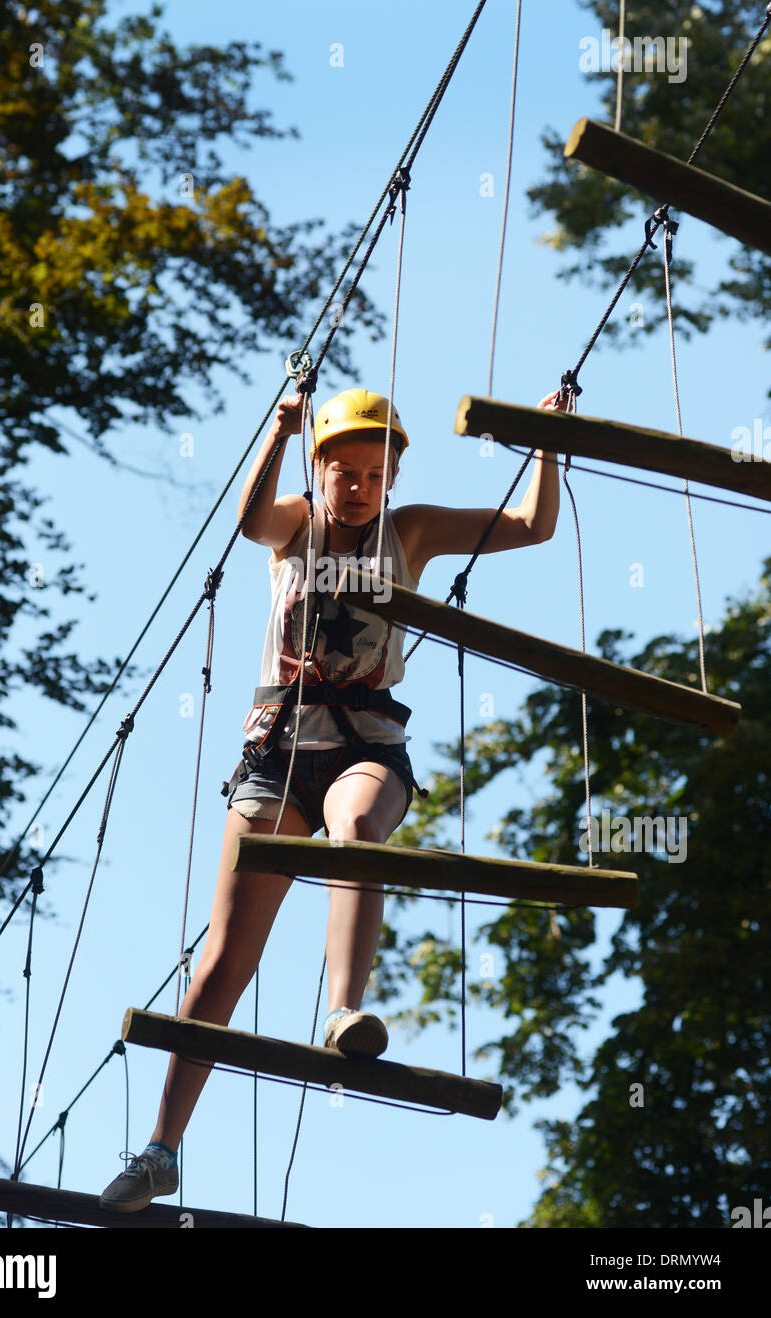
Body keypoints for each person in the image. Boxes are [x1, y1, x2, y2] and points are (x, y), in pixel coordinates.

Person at [100, 381, 562, 1212]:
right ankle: (162, 1149)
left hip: (366, 747)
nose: (356, 485)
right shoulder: (297, 523)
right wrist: (278, 433)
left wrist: (548, 445)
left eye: (372, 471)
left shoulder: (409, 531)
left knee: (356, 829)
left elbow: (530, 527)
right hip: (277, 755)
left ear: (391, 476)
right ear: (319, 470)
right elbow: (249, 524)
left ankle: (346, 1009)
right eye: (341, 469)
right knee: (221, 967)